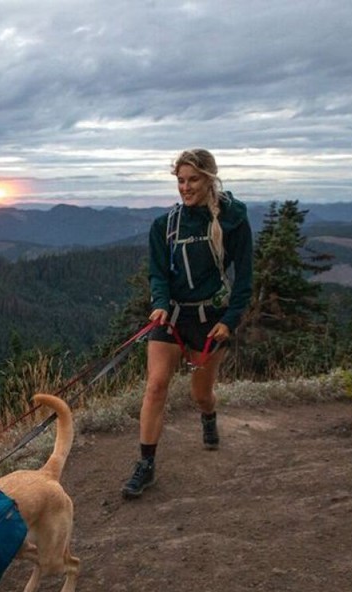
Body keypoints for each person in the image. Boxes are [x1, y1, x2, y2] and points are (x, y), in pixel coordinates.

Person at [121, 148, 253, 499]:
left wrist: (230, 319)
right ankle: (146, 465)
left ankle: (208, 416)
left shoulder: (233, 219)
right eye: (180, 180)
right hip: (173, 317)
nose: (185, 187)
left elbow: (244, 278)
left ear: (209, 179)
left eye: (193, 180)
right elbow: (158, 273)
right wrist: (160, 304)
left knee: (201, 393)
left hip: (210, 320)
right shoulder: (164, 225)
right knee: (156, 386)